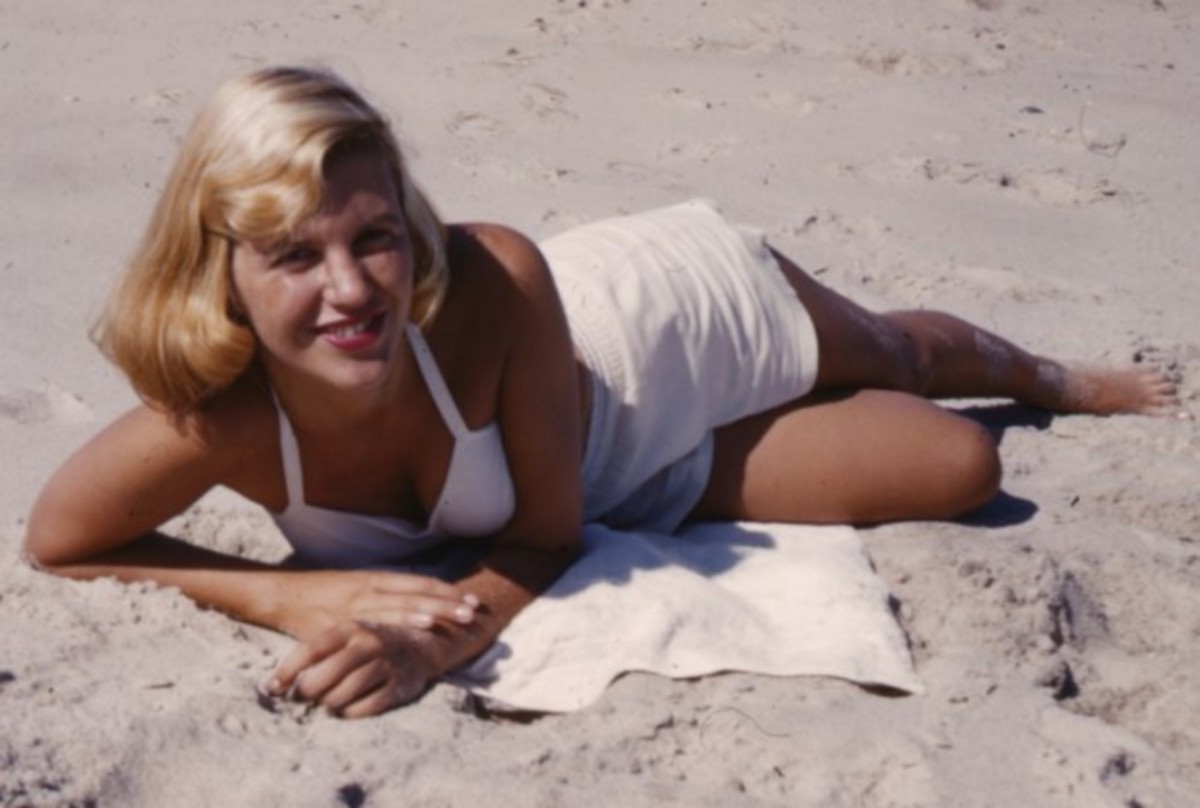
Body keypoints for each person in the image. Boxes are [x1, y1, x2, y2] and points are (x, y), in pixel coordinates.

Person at [22, 66, 1180, 719]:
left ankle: (1052, 374)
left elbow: (542, 538)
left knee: (900, 360)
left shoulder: (494, 278)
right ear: (219, 268)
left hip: (647, 342)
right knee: (955, 465)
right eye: (293, 256)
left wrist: (427, 648)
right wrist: (287, 597)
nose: (352, 291)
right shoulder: (221, 416)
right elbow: (61, 542)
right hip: (631, 474)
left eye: (375, 236)